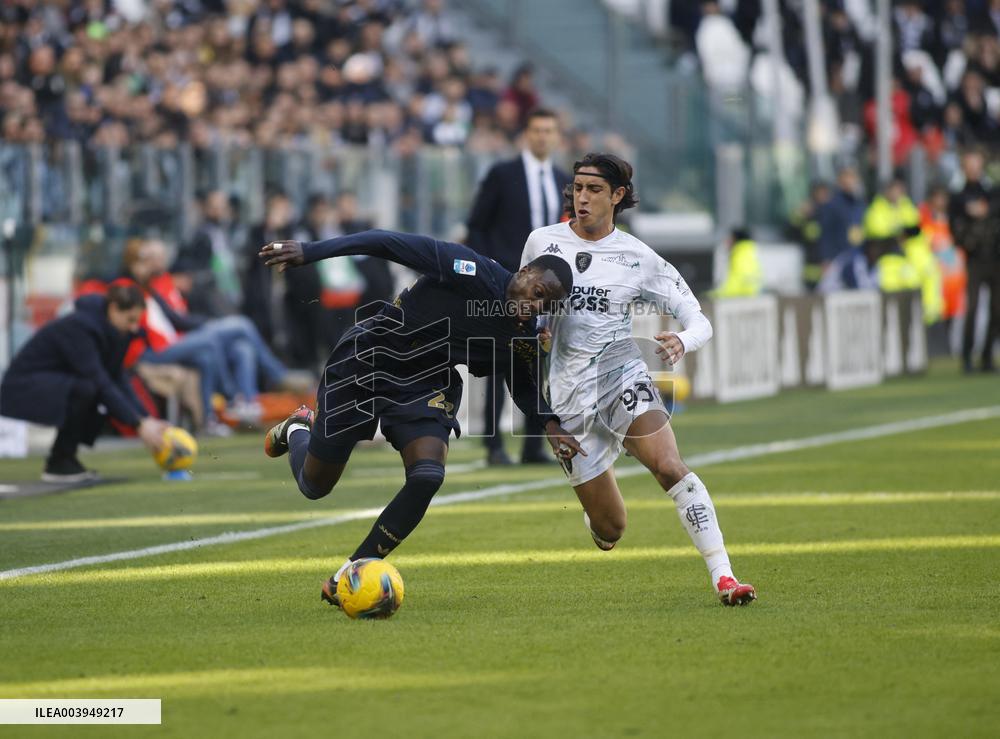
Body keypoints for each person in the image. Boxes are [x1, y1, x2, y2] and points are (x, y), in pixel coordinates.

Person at [255, 229, 584, 605]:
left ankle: (349, 573)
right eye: (537, 293)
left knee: (428, 475)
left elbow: (523, 386)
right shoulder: (468, 269)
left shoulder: (524, 334)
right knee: (315, 486)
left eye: (545, 306)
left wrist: (551, 425)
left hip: (424, 383)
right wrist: (311, 251)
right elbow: (385, 242)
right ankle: (299, 427)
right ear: (525, 272)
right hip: (369, 359)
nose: (535, 307)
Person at [519, 153, 756, 606]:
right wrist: (536, 328)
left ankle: (725, 577)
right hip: (568, 397)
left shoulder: (638, 257)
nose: (582, 198)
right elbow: (522, 307)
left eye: (594, 190)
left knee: (669, 467)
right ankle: (599, 515)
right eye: (577, 188)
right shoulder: (541, 242)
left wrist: (683, 340)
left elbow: (699, 319)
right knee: (611, 530)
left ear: (618, 196)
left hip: (621, 376)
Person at [467, 108, 572, 466]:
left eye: (549, 130)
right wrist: (490, 270)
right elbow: (477, 225)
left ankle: (532, 446)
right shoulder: (502, 174)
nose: (543, 136)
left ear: (557, 136)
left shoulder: (563, 180)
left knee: (538, 361)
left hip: (545, 292)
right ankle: (494, 445)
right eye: (537, 129)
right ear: (526, 134)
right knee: (499, 362)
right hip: (505, 284)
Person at [0, 284, 168, 482]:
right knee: (87, 389)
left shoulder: (116, 332)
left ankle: (63, 461)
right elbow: (99, 380)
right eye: (130, 319)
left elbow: (118, 378)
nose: (134, 327)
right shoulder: (80, 327)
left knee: (90, 389)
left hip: (55, 382)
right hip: (23, 386)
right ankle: (60, 461)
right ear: (114, 308)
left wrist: (145, 419)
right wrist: (138, 424)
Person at [948, 149, 999, 372]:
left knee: (997, 310)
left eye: (976, 164)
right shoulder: (959, 196)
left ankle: (987, 355)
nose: (973, 168)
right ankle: (967, 356)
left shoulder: (990, 191)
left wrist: (984, 210)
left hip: (995, 257)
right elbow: (955, 224)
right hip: (974, 259)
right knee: (973, 308)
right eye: (969, 164)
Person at [172, 189, 242, 318]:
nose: (219, 210)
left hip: (226, 294)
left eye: (222, 206)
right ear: (206, 208)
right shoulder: (202, 235)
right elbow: (195, 270)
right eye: (214, 206)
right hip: (211, 299)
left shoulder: (225, 232)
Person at [710, 227, 762, 298]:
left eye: (729, 238)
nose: (726, 241)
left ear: (735, 239)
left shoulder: (739, 255)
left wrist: (714, 295)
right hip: (751, 297)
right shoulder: (749, 253)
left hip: (738, 298)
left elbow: (737, 287)